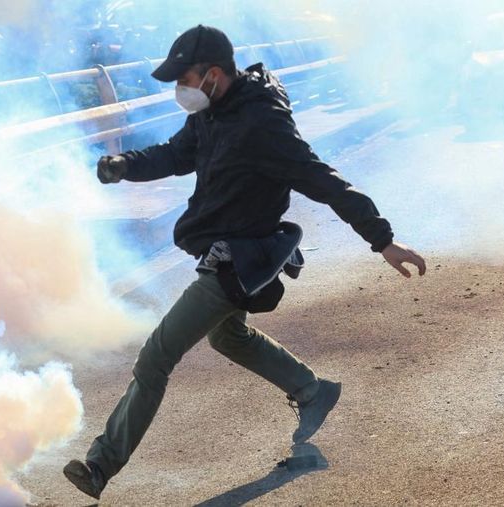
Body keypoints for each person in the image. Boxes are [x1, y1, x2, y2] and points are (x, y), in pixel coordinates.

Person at [63, 25, 427, 500]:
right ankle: (313, 391)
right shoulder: (213, 112)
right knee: (227, 335)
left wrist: (383, 241)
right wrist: (127, 164)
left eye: (185, 78)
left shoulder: (262, 125)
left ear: (213, 74)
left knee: (156, 356)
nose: (180, 89)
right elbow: (176, 154)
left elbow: (325, 181)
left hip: (239, 262)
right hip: (218, 252)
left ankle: (99, 465)